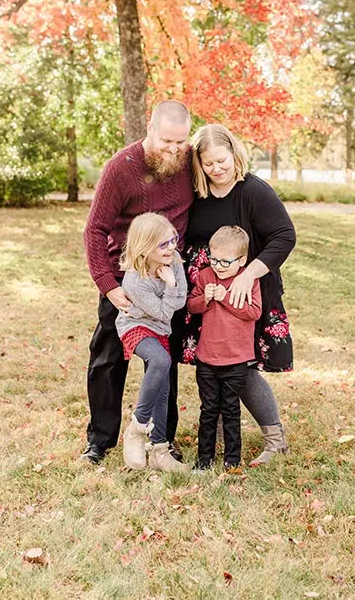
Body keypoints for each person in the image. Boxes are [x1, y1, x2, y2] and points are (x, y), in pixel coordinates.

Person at [82, 100, 193, 464]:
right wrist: (108, 285)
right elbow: (95, 229)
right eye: (166, 141)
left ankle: (163, 439)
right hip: (124, 283)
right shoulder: (121, 168)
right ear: (150, 129)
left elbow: (226, 169)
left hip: (167, 281)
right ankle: (100, 440)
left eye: (181, 142)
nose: (174, 150)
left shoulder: (189, 161)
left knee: (165, 361)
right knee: (107, 360)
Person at [183, 123, 296, 466]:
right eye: (209, 163)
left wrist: (248, 275)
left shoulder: (254, 191)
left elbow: (284, 237)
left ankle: (275, 440)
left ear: (234, 154)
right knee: (211, 365)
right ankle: (217, 443)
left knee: (241, 368)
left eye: (222, 160)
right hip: (206, 293)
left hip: (246, 290)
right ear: (199, 165)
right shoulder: (196, 194)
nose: (217, 169)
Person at [116, 213, 189, 472]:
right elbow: (163, 311)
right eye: (164, 244)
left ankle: (160, 450)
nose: (171, 247)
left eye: (173, 240)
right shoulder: (135, 280)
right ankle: (137, 427)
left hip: (160, 329)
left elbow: (180, 302)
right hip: (135, 326)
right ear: (145, 248)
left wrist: (172, 285)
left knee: (163, 386)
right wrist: (171, 284)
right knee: (160, 360)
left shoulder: (175, 261)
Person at [187, 226, 262, 469]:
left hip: (236, 359)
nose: (218, 265)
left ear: (242, 261)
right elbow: (192, 306)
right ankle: (204, 458)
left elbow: (254, 312)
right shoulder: (206, 276)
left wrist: (225, 298)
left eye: (225, 262)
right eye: (213, 258)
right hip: (207, 358)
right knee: (208, 409)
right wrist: (206, 298)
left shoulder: (248, 282)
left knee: (230, 409)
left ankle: (232, 459)